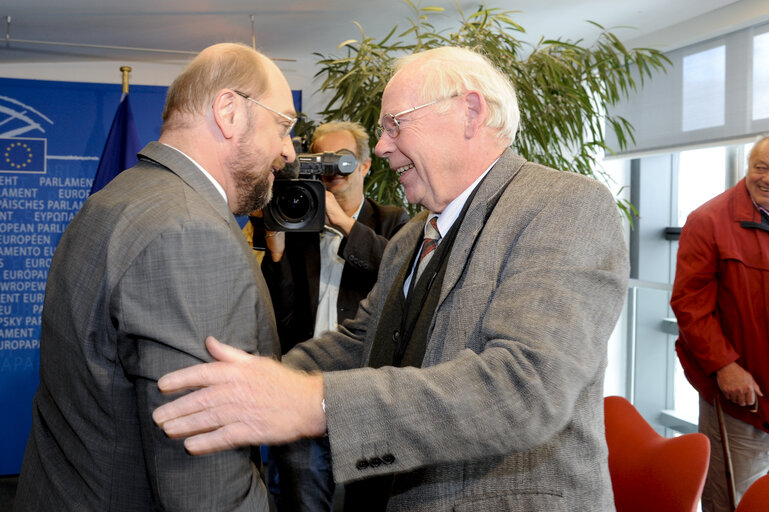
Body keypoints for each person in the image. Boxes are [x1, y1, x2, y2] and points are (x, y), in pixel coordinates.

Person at [153, 46, 630, 511]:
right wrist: (253, 380)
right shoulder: (410, 239)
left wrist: (312, 402)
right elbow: (361, 343)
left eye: (395, 125)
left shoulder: (565, 207)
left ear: (470, 111)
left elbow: (525, 389)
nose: (380, 148)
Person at [13, 42, 296, 512]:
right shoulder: (190, 233)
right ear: (229, 112)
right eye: (283, 125)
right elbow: (204, 487)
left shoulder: (118, 196)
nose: (287, 151)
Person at [261, 121, 409, 511]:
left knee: (368, 502)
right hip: (305, 383)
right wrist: (276, 247)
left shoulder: (395, 222)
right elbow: (282, 314)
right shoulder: (298, 220)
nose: (329, 172)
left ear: (363, 166)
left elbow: (400, 277)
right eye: (318, 161)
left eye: (339, 161)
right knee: (303, 500)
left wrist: (343, 225)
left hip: (363, 391)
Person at [671, 136, 769, 512]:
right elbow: (690, 305)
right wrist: (724, 367)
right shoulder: (708, 221)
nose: (766, 178)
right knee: (732, 503)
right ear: (748, 166)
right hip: (741, 401)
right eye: (761, 167)